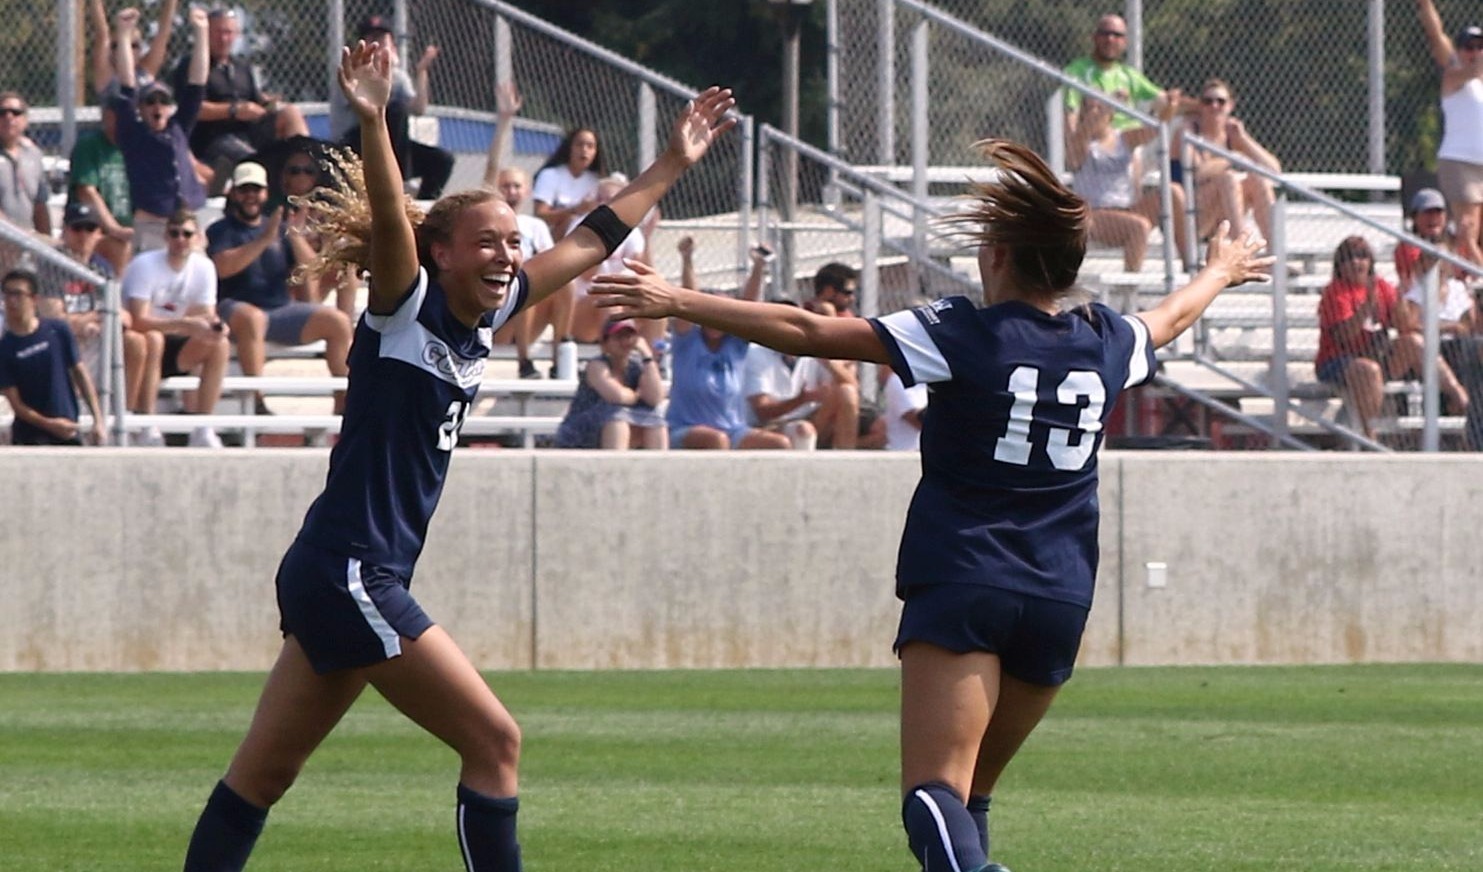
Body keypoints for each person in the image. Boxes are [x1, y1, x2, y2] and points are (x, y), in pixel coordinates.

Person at [591, 138, 1271, 872]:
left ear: (998, 255)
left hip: (965, 576)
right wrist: (1219, 269)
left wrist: (677, 299)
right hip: (1060, 594)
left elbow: (810, 332)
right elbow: (1170, 317)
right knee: (970, 797)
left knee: (933, 795)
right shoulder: (1105, 339)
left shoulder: (960, 332)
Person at [178, 38, 734, 872]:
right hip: (352, 571)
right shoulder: (406, 308)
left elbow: (591, 241)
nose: (508, 256)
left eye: (513, 242)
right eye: (488, 242)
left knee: (260, 778)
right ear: (439, 253)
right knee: (495, 741)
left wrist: (672, 163)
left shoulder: (486, 314)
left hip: (339, 569)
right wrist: (372, 121)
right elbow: (390, 218)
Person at [207, 161, 352, 414]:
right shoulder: (221, 230)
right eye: (244, 190)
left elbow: (313, 270)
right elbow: (223, 267)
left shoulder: (278, 227)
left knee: (337, 321)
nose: (250, 196)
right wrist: (263, 241)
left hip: (280, 310)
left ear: (265, 193)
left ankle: (345, 404)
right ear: (234, 193)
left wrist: (295, 237)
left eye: (256, 190)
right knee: (253, 319)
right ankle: (258, 401)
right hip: (235, 309)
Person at [1316, 235, 1467, 440]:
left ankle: (1458, 397)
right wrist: (1367, 307)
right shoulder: (1335, 292)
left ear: (1370, 262)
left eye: (1362, 256)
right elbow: (1344, 337)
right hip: (1337, 361)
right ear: (1339, 265)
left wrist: (1401, 298)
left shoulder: (1381, 286)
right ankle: (1370, 438)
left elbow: (1403, 326)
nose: (1356, 262)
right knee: (1369, 370)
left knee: (1414, 342)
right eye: (1348, 258)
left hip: (1376, 355)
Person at [37, 201, 163, 444]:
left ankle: (125, 414)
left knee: (136, 341)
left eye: (90, 229)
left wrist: (100, 322)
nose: (84, 235)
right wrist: (93, 319)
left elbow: (123, 316)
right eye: (77, 228)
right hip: (61, 342)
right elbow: (53, 317)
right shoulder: (51, 264)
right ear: (65, 231)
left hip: (97, 340)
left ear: (99, 234)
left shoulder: (101, 267)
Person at [665, 237, 790, 451]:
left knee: (780, 444)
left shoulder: (735, 344)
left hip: (733, 429)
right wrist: (687, 259)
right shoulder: (687, 341)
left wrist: (758, 266)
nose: (717, 319)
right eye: (712, 313)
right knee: (717, 441)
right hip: (684, 428)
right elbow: (687, 302)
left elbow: (750, 308)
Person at [124, 208, 229, 449]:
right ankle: (147, 424)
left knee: (219, 343)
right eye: (174, 233)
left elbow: (205, 314)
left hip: (178, 344)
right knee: (153, 338)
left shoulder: (204, 267)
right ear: (165, 236)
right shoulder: (145, 265)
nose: (180, 239)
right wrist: (184, 324)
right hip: (141, 346)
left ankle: (203, 427)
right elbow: (138, 320)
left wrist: (215, 327)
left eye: (187, 234)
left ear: (198, 237)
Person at [175, 7, 310, 189]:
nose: (223, 38)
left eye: (228, 33)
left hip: (249, 131)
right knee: (254, 159)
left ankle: (307, 164)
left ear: (236, 34)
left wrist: (266, 104)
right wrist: (233, 110)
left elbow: (254, 100)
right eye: (218, 32)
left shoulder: (241, 67)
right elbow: (191, 108)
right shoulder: (191, 66)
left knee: (290, 113)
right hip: (215, 136)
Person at [112, 6, 208, 253]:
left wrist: (202, 33)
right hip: (153, 224)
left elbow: (197, 85)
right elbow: (127, 85)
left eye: (163, 101)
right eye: (150, 102)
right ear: (141, 108)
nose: (157, 107)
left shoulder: (178, 127)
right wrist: (123, 35)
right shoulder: (133, 134)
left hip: (187, 222)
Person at [481, 81, 561, 379]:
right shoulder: (488, 220)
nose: (511, 191)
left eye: (517, 186)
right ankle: (525, 362)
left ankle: (559, 358)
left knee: (556, 284)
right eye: (505, 186)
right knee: (521, 280)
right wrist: (504, 122)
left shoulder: (535, 226)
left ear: (526, 191)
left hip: (529, 313)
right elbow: (492, 167)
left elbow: (553, 265)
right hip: (499, 314)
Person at [1394, 187, 1483, 447]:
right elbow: (1410, 322)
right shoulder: (1409, 253)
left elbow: (1468, 322)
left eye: (1438, 213)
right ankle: (1462, 404)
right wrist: (1450, 327)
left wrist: (1468, 243)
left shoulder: (1456, 283)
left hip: (1461, 347)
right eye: (1427, 213)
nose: (1434, 218)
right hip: (1437, 348)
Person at [332, 14, 454, 200]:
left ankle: (421, 205)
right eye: (372, 40)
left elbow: (418, 109)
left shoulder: (398, 76)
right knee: (395, 111)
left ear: (392, 48)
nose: (377, 46)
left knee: (442, 160)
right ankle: (392, 176)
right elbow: (367, 109)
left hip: (393, 146)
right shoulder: (351, 72)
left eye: (382, 40)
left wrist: (421, 71)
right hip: (356, 142)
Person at [1068, 90, 1189, 272]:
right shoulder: (1079, 142)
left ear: (1111, 113)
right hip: (1094, 215)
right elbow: (1077, 149)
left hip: (1126, 209)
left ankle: (1190, 264)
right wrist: (1094, 118)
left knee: (1174, 192)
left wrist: (1170, 106)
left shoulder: (1123, 138)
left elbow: (1156, 128)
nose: (1095, 113)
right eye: (1090, 108)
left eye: (1099, 107)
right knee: (1139, 226)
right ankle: (1129, 286)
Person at [0, 269, 107, 446]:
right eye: (7, 294)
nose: (12, 301)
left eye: (18, 294)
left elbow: (80, 373)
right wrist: (50, 425)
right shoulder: (5, 348)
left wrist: (98, 420)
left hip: (68, 430)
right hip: (31, 437)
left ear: (34, 299)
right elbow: (17, 405)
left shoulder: (57, 330)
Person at [1417, 0, 1483, 265]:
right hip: (1460, 162)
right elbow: (1436, 35)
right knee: (1468, 229)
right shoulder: (1455, 76)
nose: (1475, 52)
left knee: (1468, 235)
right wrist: (1425, 5)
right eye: (1469, 47)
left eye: (1479, 46)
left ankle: (1445, 273)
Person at [1177, 78, 1280, 245]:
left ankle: (1274, 250)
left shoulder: (1232, 135)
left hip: (1226, 214)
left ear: (1230, 105)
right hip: (1194, 216)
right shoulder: (1190, 132)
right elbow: (1196, 172)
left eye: (1221, 101)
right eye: (1208, 101)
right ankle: (1241, 249)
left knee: (1258, 180)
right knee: (1228, 179)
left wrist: (1243, 139)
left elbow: (1274, 171)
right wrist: (1232, 160)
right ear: (1200, 106)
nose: (1214, 106)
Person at [1062, 14, 1184, 137]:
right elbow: (1070, 124)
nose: (1110, 39)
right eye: (1105, 33)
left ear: (1125, 42)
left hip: (1132, 139)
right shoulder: (1076, 72)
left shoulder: (1128, 75)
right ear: (1094, 37)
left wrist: (1175, 101)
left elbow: (1165, 100)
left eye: (1117, 35)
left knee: (1178, 120)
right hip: (1099, 140)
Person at [553, 317, 667, 449]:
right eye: (618, 337)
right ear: (605, 343)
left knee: (656, 421)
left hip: (617, 422)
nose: (624, 341)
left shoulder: (637, 366)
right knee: (617, 420)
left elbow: (655, 398)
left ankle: (658, 463)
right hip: (581, 431)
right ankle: (616, 462)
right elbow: (617, 396)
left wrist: (647, 357)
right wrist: (637, 395)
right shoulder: (596, 366)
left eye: (629, 336)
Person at [67, 102, 134, 272]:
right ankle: (118, 289)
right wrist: (114, 229)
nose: (118, 119)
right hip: (91, 228)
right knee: (121, 248)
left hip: (131, 227)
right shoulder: (89, 145)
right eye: (112, 113)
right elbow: (86, 191)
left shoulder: (139, 146)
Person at [89, 0, 177, 99]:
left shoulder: (145, 70)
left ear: (140, 50)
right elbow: (102, 35)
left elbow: (163, 33)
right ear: (110, 51)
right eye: (116, 45)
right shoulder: (106, 75)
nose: (127, 49)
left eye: (134, 46)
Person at [0, 91, 52, 259]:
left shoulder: (34, 155)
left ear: (25, 120)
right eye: (2, 113)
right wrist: (21, 236)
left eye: (15, 112)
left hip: (27, 245)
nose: (9, 117)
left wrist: (47, 245)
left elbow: (40, 205)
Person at [531, 126, 603, 237]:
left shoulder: (597, 181)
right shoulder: (550, 175)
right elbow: (540, 216)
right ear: (570, 148)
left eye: (590, 146)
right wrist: (575, 210)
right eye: (579, 145)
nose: (584, 150)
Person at [882, 365, 928, 451]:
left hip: (929, 452)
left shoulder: (932, 383)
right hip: (904, 453)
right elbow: (918, 421)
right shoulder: (898, 380)